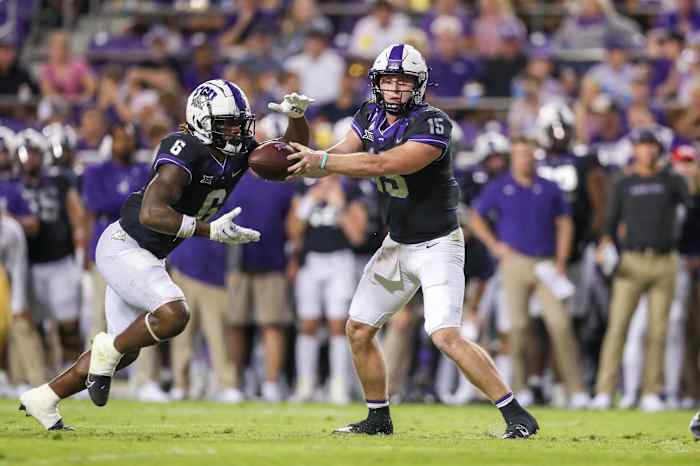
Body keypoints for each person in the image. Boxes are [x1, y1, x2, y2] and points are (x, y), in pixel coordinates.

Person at [18, 79, 312, 430]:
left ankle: (45, 398)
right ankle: (105, 348)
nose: (237, 130)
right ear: (203, 120)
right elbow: (151, 213)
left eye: (240, 122)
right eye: (227, 123)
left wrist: (297, 119)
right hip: (124, 246)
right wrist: (210, 230)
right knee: (173, 315)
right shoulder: (183, 148)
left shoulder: (236, 149)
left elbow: (291, 159)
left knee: (126, 353)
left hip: (146, 255)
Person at [287, 43, 538, 438]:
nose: (395, 90)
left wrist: (320, 160)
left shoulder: (433, 123)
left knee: (445, 336)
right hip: (398, 244)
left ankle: (517, 415)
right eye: (388, 81)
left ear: (418, 86)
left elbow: (381, 163)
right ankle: (378, 418)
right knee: (358, 329)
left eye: (403, 82)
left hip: (438, 244)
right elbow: (322, 162)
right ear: (376, 84)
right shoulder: (368, 115)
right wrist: (298, 126)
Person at [469, 137, 590, 409]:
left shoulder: (549, 187)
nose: (524, 159)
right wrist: (494, 245)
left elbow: (565, 224)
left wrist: (561, 259)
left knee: (560, 324)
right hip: (515, 262)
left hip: (546, 263)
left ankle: (576, 388)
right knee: (518, 327)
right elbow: (475, 217)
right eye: (519, 154)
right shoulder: (499, 187)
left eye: (528, 154)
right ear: (513, 157)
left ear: (535, 156)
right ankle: (520, 387)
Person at [590, 128, 695, 411]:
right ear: (634, 150)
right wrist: (605, 246)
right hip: (631, 261)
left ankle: (651, 391)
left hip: (664, 260)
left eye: (651, 146)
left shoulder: (672, 180)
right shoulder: (624, 183)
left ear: (657, 150)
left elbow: (692, 210)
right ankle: (604, 391)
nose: (647, 151)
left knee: (659, 330)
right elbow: (610, 223)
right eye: (642, 146)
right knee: (617, 328)